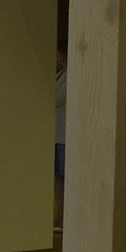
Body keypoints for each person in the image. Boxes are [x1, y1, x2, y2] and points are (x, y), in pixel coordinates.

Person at [54, 48, 67, 232]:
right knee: (56, 179)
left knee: (65, 178)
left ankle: (64, 219)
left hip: (64, 137)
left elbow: (56, 98)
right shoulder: (58, 75)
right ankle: (58, 218)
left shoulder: (68, 76)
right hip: (54, 136)